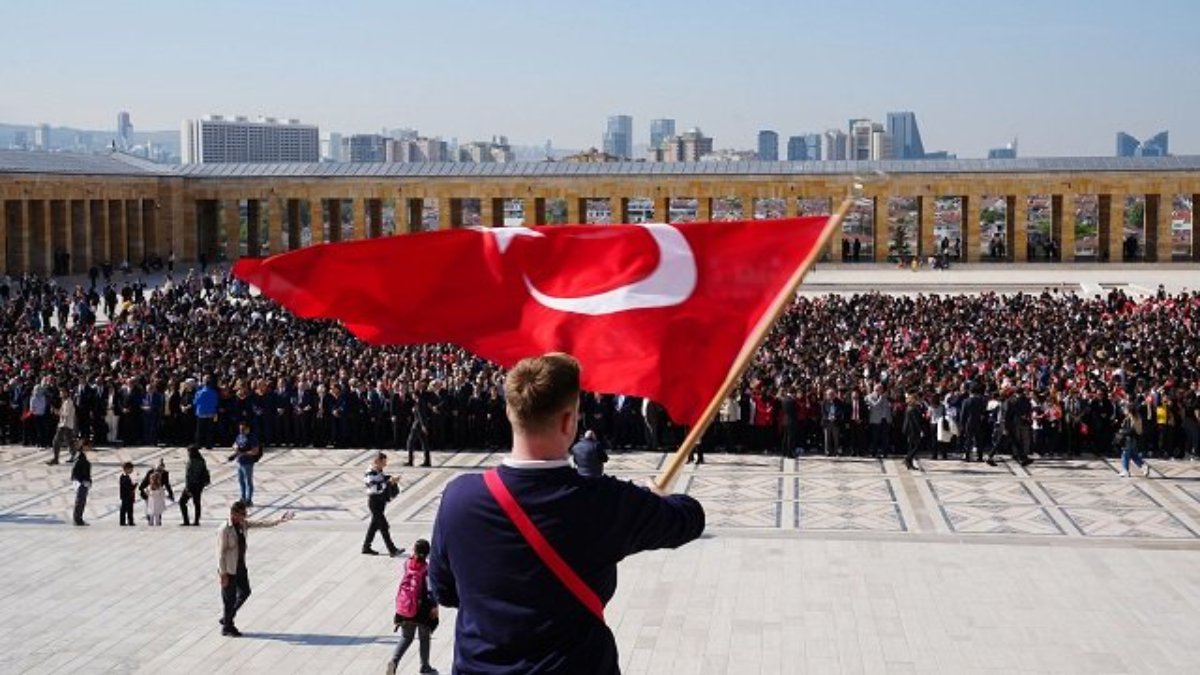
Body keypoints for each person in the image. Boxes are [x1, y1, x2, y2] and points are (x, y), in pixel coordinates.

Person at [427, 353, 705, 672]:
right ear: (569, 420)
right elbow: (689, 519)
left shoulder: (458, 497)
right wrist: (659, 498)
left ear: (508, 411)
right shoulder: (602, 501)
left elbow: (445, 590)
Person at [216, 501, 293, 637]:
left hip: (240, 566)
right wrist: (223, 574)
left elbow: (260, 523)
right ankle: (228, 627)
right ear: (234, 514)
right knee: (230, 599)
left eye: (245, 514)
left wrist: (279, 521)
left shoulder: (242, 524)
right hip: (229, 569)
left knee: (245, 591)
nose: (245, 516)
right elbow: (220, 553)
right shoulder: (225, 529)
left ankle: (227, 618)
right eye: (242, 514)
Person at [387, 538, 439, 675]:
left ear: (414, 551)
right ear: (427, 553)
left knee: (406, 637)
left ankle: (394, 661)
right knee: (424, 638)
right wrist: (434, 605)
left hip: (405, 607)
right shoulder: (426, 569)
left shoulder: (407, 563)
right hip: (421, 610)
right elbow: (430, 590)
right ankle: (425, 666)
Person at [363, 452, 404, 557]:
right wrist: (388, 483)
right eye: (383, 462)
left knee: (374, 525)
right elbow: (373, 488)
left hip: (380, 501)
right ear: (377, 461)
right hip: (374, 502)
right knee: (383, 526)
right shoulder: (370, 473)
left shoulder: (378, 470)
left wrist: (391, 479)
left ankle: (366, 547)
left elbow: (382, 479)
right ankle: (392, 549)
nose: (385, 465)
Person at [228, 420, 261, 506]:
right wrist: (235, 452)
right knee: (241, 480)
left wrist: (244, 453)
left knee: (248, 481)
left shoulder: (252, 438)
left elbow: (255, 451)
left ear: (247, 429)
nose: (241, 431)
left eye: (243, 429)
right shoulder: (240, 436)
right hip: (240, 462)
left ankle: (249, 499)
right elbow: (235, 444)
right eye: (240, 429)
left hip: (248, 463)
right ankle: (242, 497)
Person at [1114, 404, 1152, 478]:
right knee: (1133, 455)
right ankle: (1143, 466)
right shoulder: (1137, 417)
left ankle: (1125, 470)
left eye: (1125, 409)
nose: (1124, 410)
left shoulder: (1129, 418)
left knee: (1125, 454)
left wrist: (1121, 431)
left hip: (1128, 438)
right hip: (1135, 438)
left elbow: (1129, 429)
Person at [179, 445, 211, 526]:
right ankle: (196, 521)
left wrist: (188, 488)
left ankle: (186, 520)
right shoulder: (201, 460)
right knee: (196, 503)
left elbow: (189, 476)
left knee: (182, 502)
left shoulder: (192, 462)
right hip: (199, 485)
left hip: (192, 485)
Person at [138, 459, 174, 523]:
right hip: (150, 492)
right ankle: (150, 517)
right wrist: (144, 491)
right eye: (158, 470)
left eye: (161, 470)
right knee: (150, 507)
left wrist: (171, 494)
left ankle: (158, 520)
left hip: (158, 493)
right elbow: (143, 484)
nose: (160, 472)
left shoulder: (165, 474)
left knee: (158, 508)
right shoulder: (150, 473)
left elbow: (167, 485)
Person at [47, 388, 75, 465]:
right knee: (69, 441)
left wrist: (57, 412)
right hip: (65, 424)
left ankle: (56, 458)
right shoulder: (64, 402)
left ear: (66, 393)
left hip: (65, 425)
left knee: (56, 441)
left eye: (62, 392)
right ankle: (74, 455)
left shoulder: (68, 402)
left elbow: (66, 414)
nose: (61, 394)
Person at [70, 439, 93, 526]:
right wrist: (82, 481)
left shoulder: (81, 456)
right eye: (88, 446)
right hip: (81, 481)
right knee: (80, 500)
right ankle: (77, 519)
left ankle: (79, 518)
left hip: (82, 481)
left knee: (81, 500)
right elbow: (76, 470)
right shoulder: (80, 457)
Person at [118, 462, 136, 526]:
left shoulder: (126, 476)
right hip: (126, 496)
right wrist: (134, 486)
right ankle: (123, 521)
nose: (132, 470)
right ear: (126, 469)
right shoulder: (124, 477)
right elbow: (128, 487)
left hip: (128, 495)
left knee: (130, 509)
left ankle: (130, 521)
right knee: (124, 509)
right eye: (131, 469)